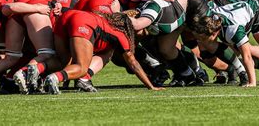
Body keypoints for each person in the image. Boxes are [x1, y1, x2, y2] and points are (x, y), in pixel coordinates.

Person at [28, 10, 163, 94]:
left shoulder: (107, 18)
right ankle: (54, 78)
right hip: (83, 22)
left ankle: (36, 68)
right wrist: (150, 86)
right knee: (82, 68)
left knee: (62, 61)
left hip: (68, 15)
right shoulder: (121, 34)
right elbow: (133, 64)